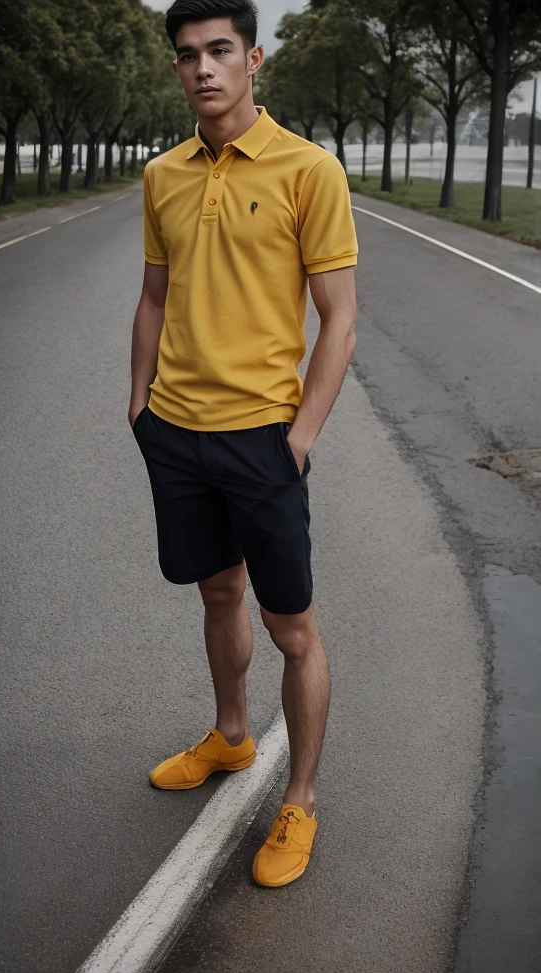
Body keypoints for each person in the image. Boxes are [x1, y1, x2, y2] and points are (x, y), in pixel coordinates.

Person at [129, 0, 358, 888]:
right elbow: (154, 296)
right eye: (187, 56)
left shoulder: (310, 170)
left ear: (253, 57)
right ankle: (231, 740)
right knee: (216, 590)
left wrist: (298, 439)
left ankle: (298, 796)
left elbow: (338, 321)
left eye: (220, 50)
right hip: (175, 431)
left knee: (290, 625)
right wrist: (139, 402)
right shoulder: (163, 175)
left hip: (263, 435)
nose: (203, 69)